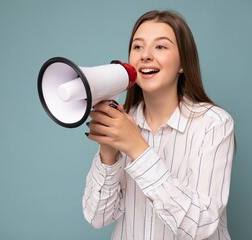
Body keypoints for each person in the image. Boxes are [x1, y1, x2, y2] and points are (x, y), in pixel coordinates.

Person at [83, 10, 235, 240]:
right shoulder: (125, 123)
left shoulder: (213, 124)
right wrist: (109, 151)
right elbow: (98, 217)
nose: (145, 55)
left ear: (183, 62)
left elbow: (201, 224)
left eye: (160, 47)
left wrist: (137, 148)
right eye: (138, 47)